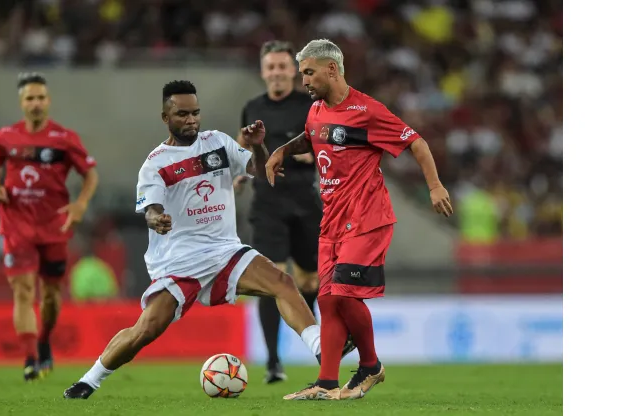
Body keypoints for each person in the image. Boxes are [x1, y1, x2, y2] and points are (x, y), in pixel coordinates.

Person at [63, 80, 353, 400]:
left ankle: (321, 349)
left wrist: (257, 144)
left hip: (225, 250)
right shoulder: (155, 164)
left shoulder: (217, 142)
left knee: (282, 282)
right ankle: (89, 380)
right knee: (145, 331)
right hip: (179, 259)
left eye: (196, 112)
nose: (191, 119)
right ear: (165, 117)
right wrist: (156, 218)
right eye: (182, 113)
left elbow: (259, 169)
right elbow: (151, 208)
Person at [266, 39, 454, 401]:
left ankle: (371, 366)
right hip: (331, 220)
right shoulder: (317, 110)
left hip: (366, 216)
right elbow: (311, 138)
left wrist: (435, 187)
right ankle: (326, 382)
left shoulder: (367, 110)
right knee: (326, 299)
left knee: (345, 295)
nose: (302, 80)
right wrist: (281, 151)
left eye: (308, 72)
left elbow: (416, 142)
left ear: (331, 69)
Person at [235, 40, 352, 384]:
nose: (276, 73)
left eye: (283, 67)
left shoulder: (312, 104)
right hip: (267, 203)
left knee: (310, 279)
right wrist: (238, 173)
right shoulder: (252, 107)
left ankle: (313, 337)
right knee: (272, 279)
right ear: (263, 72)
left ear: (294, 71)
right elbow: (243, 146)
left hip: (305, 201)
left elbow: (336, 144)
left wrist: (310, 154)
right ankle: (273, 361)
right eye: (270, 67)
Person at [0, 72, 99, 381]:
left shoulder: (64, 138)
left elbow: (89, 174)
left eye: (40, 98)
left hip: (53, 227)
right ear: (21, 103)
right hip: (16, 224)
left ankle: (45, 338)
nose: (36, 103)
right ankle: (30, 358)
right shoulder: (6, 136)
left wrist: (80, 204)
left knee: (50, 294)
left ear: (48, 101)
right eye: (30, 98)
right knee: (22, 291)